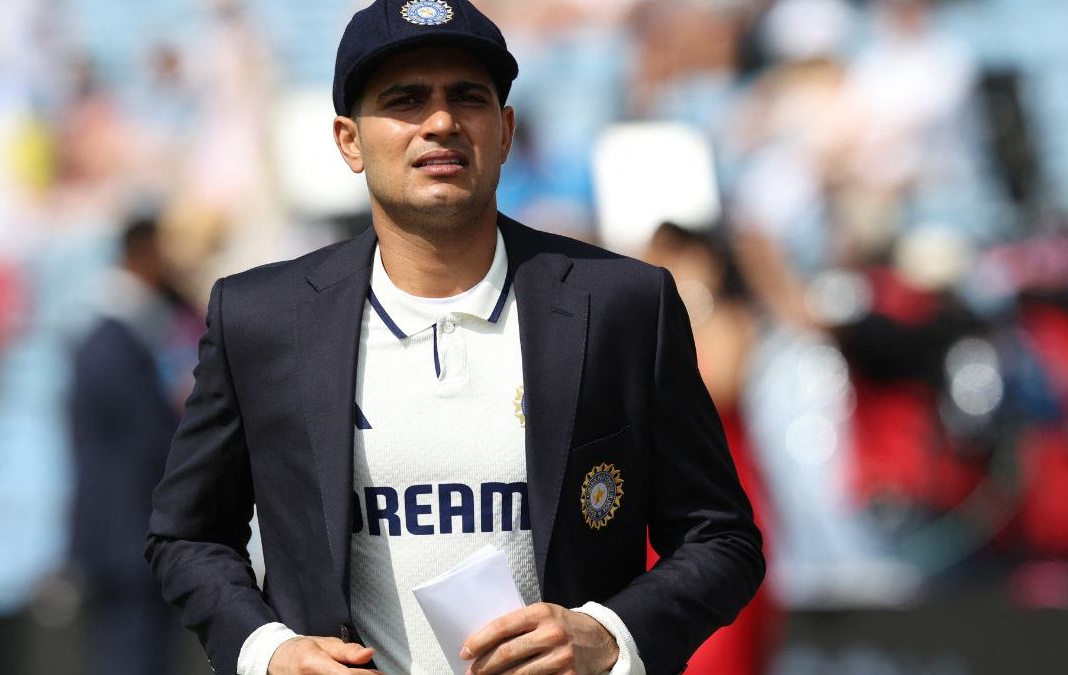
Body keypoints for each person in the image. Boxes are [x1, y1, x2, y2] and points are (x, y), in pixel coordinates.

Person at [146, 2, 764, 674]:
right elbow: (187, 533)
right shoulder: (259, 317)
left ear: (503, 130)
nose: (440, 122)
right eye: (405, 100)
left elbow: (721, 537)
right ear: (348, 140)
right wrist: (270, 651)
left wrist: (609, 634)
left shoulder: (622, 304)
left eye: (466, 97)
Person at [71, 215, 201, 675]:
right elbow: (148, 441)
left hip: (121, 537)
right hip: (127, 539)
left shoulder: (118, 337)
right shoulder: (115, 343)